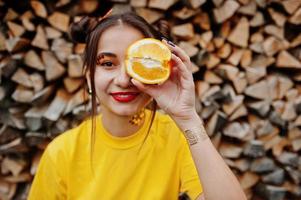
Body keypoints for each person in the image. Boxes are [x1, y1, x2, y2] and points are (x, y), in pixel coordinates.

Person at [28, 11, 247, 200]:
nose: (124, 80)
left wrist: (188, 118)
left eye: (141, 63)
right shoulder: (62, 153)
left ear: (160, 72)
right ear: (88, 77)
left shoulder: (175, 137)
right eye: (107, 63)